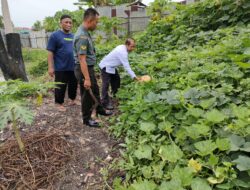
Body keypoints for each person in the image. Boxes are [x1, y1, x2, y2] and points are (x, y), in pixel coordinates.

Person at [73, 8, 112, 128]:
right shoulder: (82, 37)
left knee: (95, 89)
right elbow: (82, 59)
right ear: (90, 20)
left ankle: (99, 109)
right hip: (83, 68)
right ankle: (86, 119)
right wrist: (87, 78)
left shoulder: (85, 32)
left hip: (87, 68)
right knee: (87, 94)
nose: (97, 24)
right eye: (96, 22)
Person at [47, 14, 78, 112]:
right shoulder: (55, 36)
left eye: (70, 23)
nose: (69, 24)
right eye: (66, 22)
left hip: (73, 66)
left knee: (73, 84)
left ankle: (72, 99)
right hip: (60, 67)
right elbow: (50, 52)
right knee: (60, 86)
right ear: (61, 23)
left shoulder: (74, 36)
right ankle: (59, 103)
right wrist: (50, 67)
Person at [99, 38, 139, 110]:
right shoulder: (122, 52)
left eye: (134, 46)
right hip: (105, 66)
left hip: (111, 67)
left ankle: (115, 96)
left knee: (116, 80)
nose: (133, 48)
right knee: (106, 84)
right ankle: (104, 102)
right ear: (126, 45)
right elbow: (126, 66)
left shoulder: (122, 47)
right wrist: (134, 77)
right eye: (132, 46)